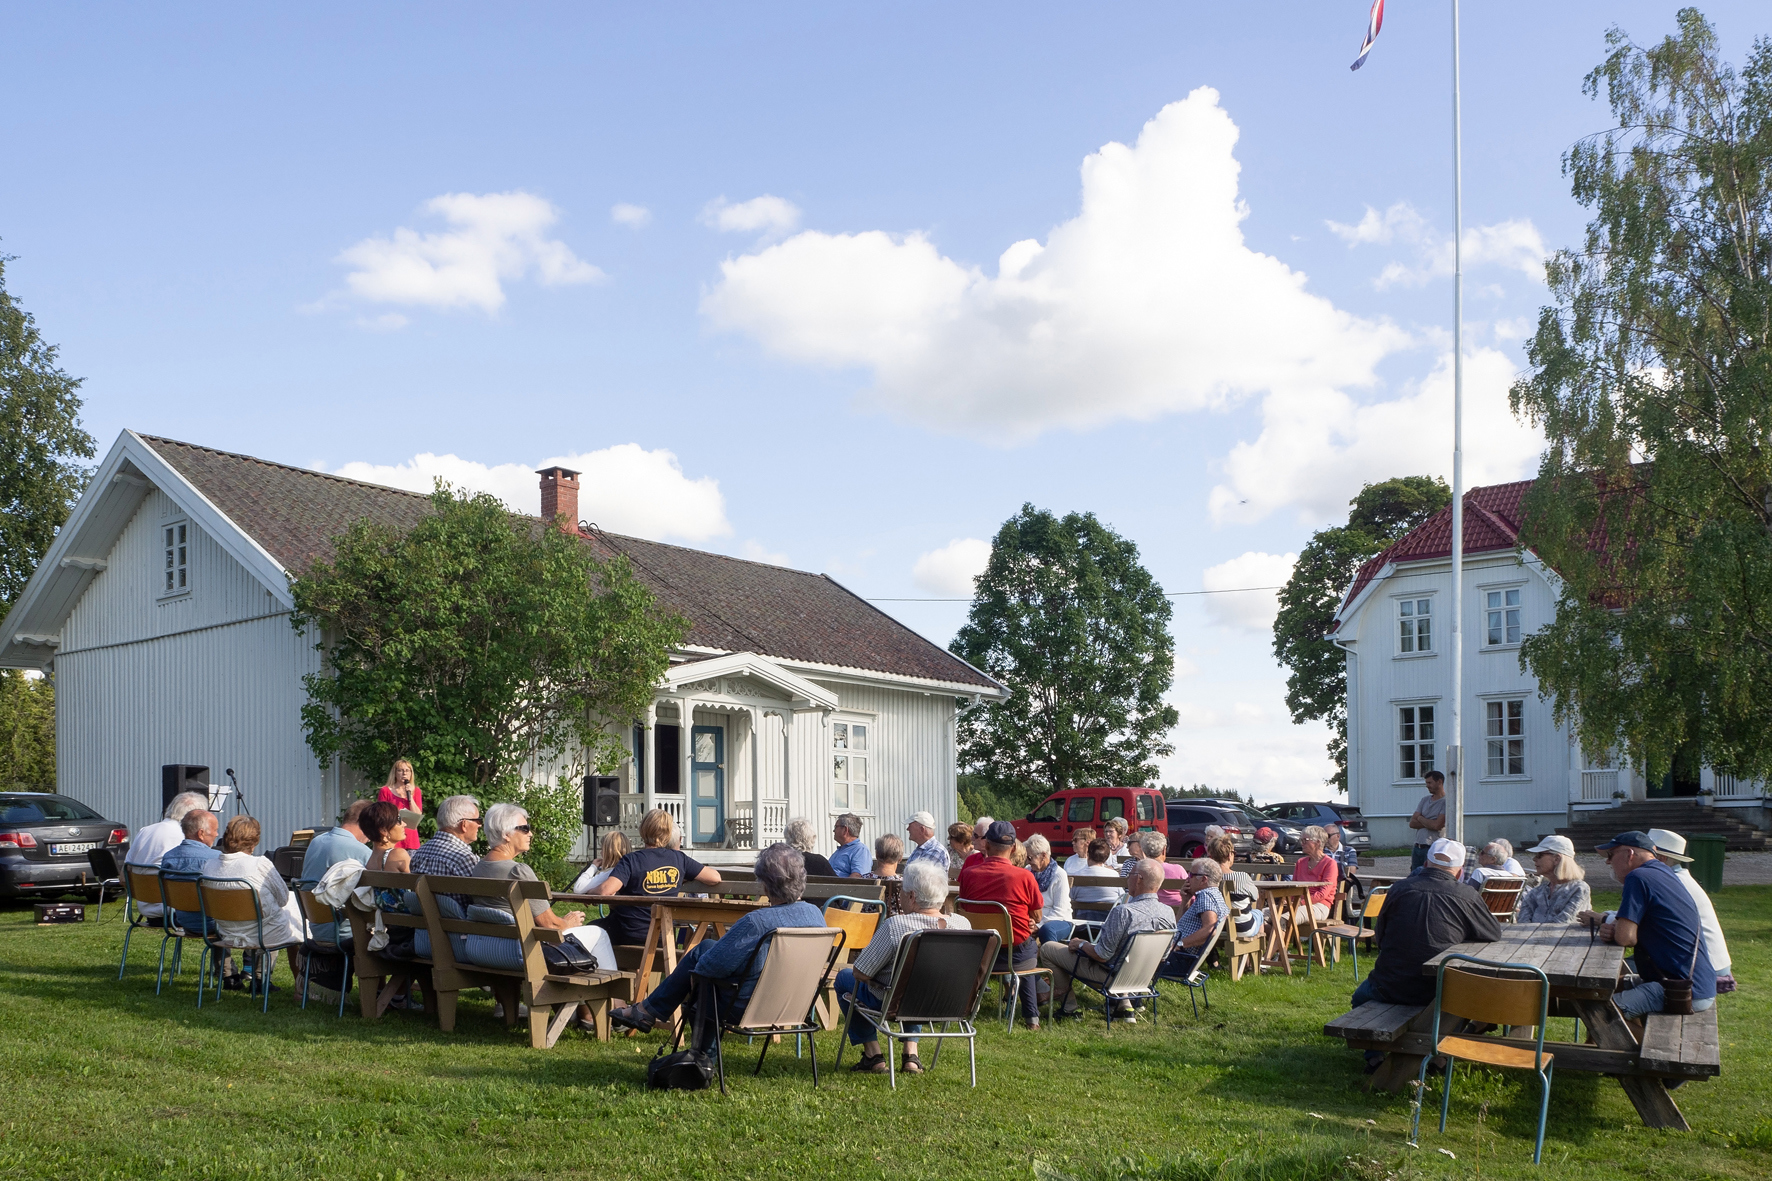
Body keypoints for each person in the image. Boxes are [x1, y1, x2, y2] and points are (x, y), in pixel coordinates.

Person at [608, 843, 825, 1044]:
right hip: (796, 1006)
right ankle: (647, 1011)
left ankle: (693, 1053)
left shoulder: (756, 922)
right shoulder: (817, 917)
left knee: (702, 960)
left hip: (747, 1008)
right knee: (707, 953)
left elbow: (707, 967)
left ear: (766, 886)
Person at [1349, 838, 1502, 1069]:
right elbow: (1492, 932)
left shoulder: (1399, 889)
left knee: (1361, 997)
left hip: (1389, 986)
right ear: (1459, 871)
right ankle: (1439, 1057)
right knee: (1467, 999)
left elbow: (1380, 938)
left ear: (1427, 864)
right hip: (1440, 991)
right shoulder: (1467, 895)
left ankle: (1375, 1056)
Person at [834, 860, 972, 1074]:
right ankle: (910, 1054)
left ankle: (873, 1054)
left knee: (844, 978)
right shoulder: (963, 925)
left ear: (912, 897)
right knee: (918, 983)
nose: (899, 897)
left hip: (896, 1003)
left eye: (901, 891)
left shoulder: (896, 926)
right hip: (949, 1004)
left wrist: (874, 977)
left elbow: (860, 972)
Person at [1578, 832, 1716, 1018]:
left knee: (1602, 1014)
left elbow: (1625, 937)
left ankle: (1643, 1047)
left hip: (1682, 989)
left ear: (1629, 854)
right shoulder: (1663, 871)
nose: (1608, 862)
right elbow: (1628, 929)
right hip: (1693, 982)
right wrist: (1617, 929)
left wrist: (1617, 931)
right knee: (1600, 990)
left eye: (1610, 855)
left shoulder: (1638, 877)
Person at [1040, 859, 1175, 1020]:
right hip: (1143, 979)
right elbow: (1165, 955)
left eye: (1130, 874)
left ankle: (1069, 1008)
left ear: (1139, 878)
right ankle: (1124, 1007)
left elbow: (1101, 955)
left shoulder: (1124, 912)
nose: (1127, 878)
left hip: (1112, 978)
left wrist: (1081, 944)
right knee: (1123, 957)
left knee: (1048, 948)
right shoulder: (1168, 912)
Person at [958, 820, 1046, 1030]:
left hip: (979, 953)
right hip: (1015, 956)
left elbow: (965, 909)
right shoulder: (1025, 876)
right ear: (1014, 848)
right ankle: (1031, 1018)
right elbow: (1038, 915)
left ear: (986, 845)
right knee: (1030, 946)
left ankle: (965, 1008)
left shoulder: (969, 875)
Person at [202, 815, 307, 992]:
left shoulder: (209, 866)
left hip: (226, 931)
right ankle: (262, 979)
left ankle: (246, 976)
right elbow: (283, 898)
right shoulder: (260, 864)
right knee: (289, 912)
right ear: (254, 842)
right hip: (261, 933)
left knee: (270, 916)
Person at [593, 808, 722, 946]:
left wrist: (589, 892)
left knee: (586, 932)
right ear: (668, 834)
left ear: (643, 830)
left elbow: (606, 891)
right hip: (663, 936)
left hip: (628, 932)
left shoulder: (631, 860)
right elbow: (715, 877)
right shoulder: (679, 860)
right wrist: (681, 877)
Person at [1646, 828, 1735, 993]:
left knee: (1634, 970)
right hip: (1712, 962)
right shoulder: (1678, 878)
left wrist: (1604, 919)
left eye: (1646, 855)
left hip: (1705, 968)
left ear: (1662, 858)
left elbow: (1639, 920)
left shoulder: (1672, 883)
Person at [293, 799, 372, 945]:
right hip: (346, 932)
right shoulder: (361, 851)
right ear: (366, 824)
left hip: (316, 929)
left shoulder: (315, 842)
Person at [125, 790, 210, 921]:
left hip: (146, 910)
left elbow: (123, 877)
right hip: (177, 913)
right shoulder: (185, 838)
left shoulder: (144, 831)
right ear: (196, 816)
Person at [1159, 859, 1229, 980]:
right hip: (1182, 958)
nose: (1187, 878)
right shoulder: (1214, 895)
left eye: (1191, 875)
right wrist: (1185, 900)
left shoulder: (1205, 896)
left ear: (1203, 879)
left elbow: (1210, 929)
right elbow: (1178, 925)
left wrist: (1179, 945)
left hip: (1179, 960)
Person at [1515, 835, 1590, 924]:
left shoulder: (1579, 889)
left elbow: (1563, 923)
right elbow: (1522, 922)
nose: (1534, 859)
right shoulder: (1537, 891)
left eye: (1540, 855)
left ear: (1557, 859)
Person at [411, 794, 481, 879]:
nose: (479, 825)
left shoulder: (419, 854)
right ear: (464, 825)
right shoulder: (465, 859)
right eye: (478, 820)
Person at [1210, 835, 1263, 939]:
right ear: (1229, 855)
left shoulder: (1207, 877)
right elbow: (1256, 897)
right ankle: (1257, 953)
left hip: (1214, 927)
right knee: (1258, 913)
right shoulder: (1242, 877)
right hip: (1241, 928)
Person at [1027, 834, 1073, 943]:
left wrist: (1038, 925)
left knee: (1047, 930)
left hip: (1059, 920)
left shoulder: (1059, 874)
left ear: (1043, 855)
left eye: (1030, 857)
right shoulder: (1028, 871)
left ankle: (1050, 957)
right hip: (1034, 919)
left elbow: (1060, 910)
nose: (1028, 861)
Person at [1292, 825, 1339, 922]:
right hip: (1298, 904)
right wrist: (1289, 901)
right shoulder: (1300, 862)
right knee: (1262, 916)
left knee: (1285, 918)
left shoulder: (1330, 864)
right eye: (1301, 840)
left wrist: (1301, 903)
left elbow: (1323, 894)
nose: (1302, 843)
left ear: (1318, 842)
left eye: (1305, 840)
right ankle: (1281, 936)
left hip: (1320, 906)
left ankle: (1283, 936)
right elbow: (1293, 888)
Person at [1069, 838, 1124, 920]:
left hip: (1082, 921)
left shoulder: (1076, 875)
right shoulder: (1114, 875)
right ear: (1106, 857)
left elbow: (1071, 898)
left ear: (1088, 855)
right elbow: (1122, 898)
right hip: (1108, 921)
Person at [376, 759, 424, 852]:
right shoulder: (385, 791)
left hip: (410, 839)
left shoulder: (416, 791)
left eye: (407, 770)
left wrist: (410, 797)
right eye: (400, 770)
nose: (404, 773)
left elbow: (417, 815)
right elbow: (381, 814)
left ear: (411, 773)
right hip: (392, 837)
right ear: (395, 773)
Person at [1408, 770, 1448, 872]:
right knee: (1414, 876)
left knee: (1428, 875)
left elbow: (1437, 826)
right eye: (1426, 783)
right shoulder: (1424, 800)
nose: (1427, 786)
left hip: (1433, 848)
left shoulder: (1446, 802)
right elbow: (1412, 823)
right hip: (1418, 847)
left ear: (1439, 782)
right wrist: (1430, 821)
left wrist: (1421, 818)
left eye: (1430, 783)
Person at [569, 830, 631, 895]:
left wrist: (593, 867)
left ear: (609, 852)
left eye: (602, 849)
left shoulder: (611, 873)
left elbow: (578, 888)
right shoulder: (629, 870)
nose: (600, 852)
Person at [1138, 830, 1189, 907]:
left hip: (1149, 909)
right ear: (1164, 850)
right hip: (1177, 912)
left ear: (1143, 851)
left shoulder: (1139, 869)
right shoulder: (1178, 869)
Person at [361, 801, 414, 874]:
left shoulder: (370, 861)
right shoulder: (398, 854)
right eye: (398, 820)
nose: (404, 824)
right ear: (383, 830)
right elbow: (418, 883)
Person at [1324, 824, 1364, 908]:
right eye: (1322, 836)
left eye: (1327, 836)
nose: (1325, 839)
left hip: (1341, 884)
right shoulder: (1321, 851)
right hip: (1325, 883)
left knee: (1346, 883)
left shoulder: (1349, 850)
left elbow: (1351, 872)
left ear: (1338, 836)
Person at [829, 813, 869, 878]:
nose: (834, 830)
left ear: (845, 830)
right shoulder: (840, 850)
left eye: (836, 827)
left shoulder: (860, 850)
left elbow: (858, 876)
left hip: (840, 887)